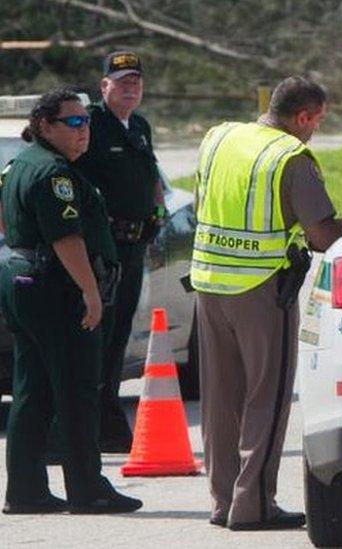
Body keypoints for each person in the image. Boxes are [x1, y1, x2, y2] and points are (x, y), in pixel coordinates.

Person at [191, 76, 342, 530]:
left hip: (208, 283)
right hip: (259, 289)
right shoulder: (290, 157)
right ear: (302, 117)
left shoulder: (220, 138)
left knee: (221, 399)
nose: (315, 129)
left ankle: (222, 502)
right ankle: (254, 506)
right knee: (268, 398)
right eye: (316, 121)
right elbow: (321, 235)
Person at [0, 88, 142, 514]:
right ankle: (87, 488)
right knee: (78, 388)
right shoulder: (54, 174)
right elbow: (67, 238)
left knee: (34, 388)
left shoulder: (19, 164)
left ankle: (26, 490)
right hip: (56, 286)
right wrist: (90, 292)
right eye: (74, 123)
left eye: (87, 122)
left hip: (22, 277)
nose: (85, 131)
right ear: (45, 125)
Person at [75, 50, 166, 454]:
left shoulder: (139, 126)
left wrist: (158, 211)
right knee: (101, 336)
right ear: (104, 86)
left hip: (135, 246)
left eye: (136, 81)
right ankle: (91, 424)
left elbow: (150, 178)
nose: (130, 87)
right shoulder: (90, 124)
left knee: (118, 338)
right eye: (122, 80)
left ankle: (106, 421)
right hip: (103, 250)